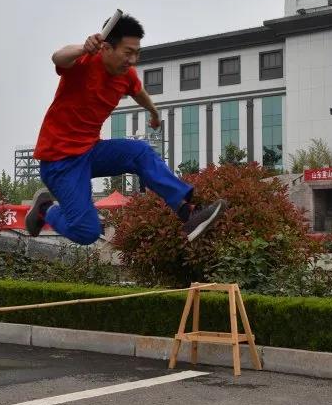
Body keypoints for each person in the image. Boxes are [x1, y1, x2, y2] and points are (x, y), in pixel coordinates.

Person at [25, 13, 225, 243]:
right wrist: (83, 47)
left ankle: (188, 211)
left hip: (90, 152)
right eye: (127, 53)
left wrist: (154, 113)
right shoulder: (84, 63)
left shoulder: (126, 75)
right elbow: (58, 57)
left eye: (136, 53)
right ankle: (46, 210)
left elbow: (139, 93)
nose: (132, 60)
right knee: (87, 232)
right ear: (106, 48)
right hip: (59, 162)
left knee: (141, 151)